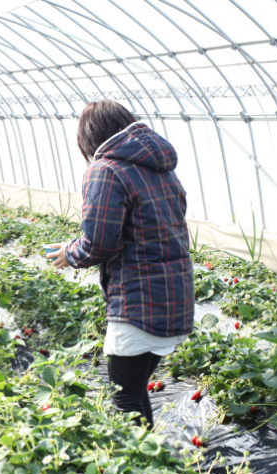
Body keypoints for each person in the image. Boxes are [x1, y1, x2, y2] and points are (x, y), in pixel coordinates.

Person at [46, 100, 194, 429]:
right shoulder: (160, 167)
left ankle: (143, 472)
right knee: (133, 388)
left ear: (89, 137)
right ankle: (149, 462)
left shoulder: (105, 170)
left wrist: (70, 254)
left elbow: (100, 242)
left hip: (138, 297)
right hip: (175, 294)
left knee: (124, 395)